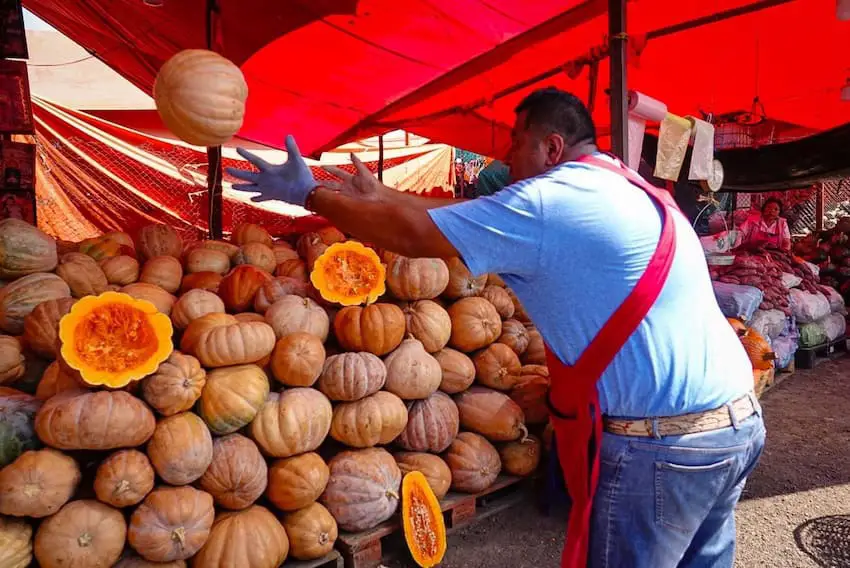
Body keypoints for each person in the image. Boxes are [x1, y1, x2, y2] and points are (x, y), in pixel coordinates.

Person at [228, 87, 765, 568]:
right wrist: (381, 197)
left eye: (514, 144)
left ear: (551, 148)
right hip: (735, 422)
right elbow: (468, 210)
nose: (504, 159)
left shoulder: (550, 200)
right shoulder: (624, 186)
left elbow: (417, 237)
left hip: (665, 448)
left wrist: (309, 195)